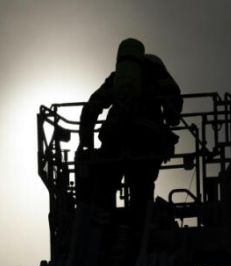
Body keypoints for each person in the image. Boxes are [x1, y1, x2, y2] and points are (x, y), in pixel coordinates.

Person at [77, 38, 182, 223]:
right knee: (141, 187)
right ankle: (139, 223)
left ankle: (103, 218)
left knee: (106, 182)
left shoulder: (117, 78)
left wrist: (86, 142)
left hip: (113, 136)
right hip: (146, 138)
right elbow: (174, 102)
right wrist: (169, 119)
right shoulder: (156, 74)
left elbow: (91, 108)